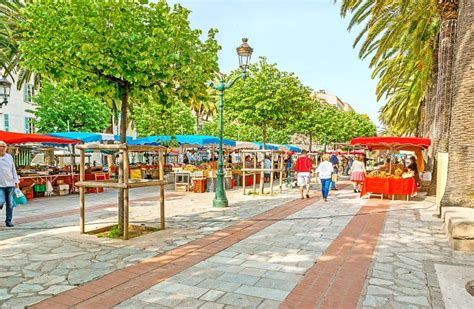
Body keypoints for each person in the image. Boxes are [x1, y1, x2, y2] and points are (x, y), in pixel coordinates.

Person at [0, 141, 19, 227]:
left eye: (3, 146)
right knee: (0, 201)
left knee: (10, 203)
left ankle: (8, 221)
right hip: (0, 184)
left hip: (10, 183)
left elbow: (13, 169)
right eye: (0, 146)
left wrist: (16, 182)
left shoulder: (9, 157)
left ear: (6, 148)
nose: (2, 148)